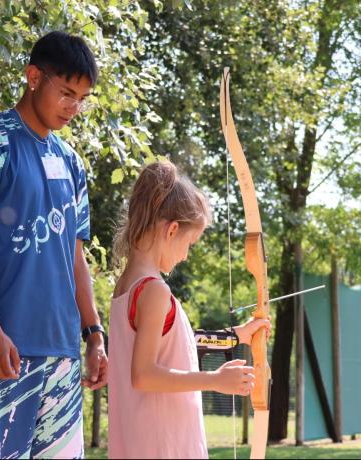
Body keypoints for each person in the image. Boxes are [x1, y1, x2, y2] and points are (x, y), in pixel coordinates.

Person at [0, 31, 106, 459]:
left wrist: (94, 334)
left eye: (82, 99)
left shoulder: (72, 163)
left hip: (62, 353)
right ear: (34, 77)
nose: (74, 108)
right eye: (67, 93)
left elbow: (75, 256)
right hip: (2, 348)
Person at [107, 161, 270, 458]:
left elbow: (174, 343)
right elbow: (143, 375)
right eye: (190, 243)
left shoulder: (126, 287)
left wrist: (235, 336)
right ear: (172, 230)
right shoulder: (154, 291)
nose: (185, 255)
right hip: (162, 444)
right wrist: (215, 380)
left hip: (143, 441)